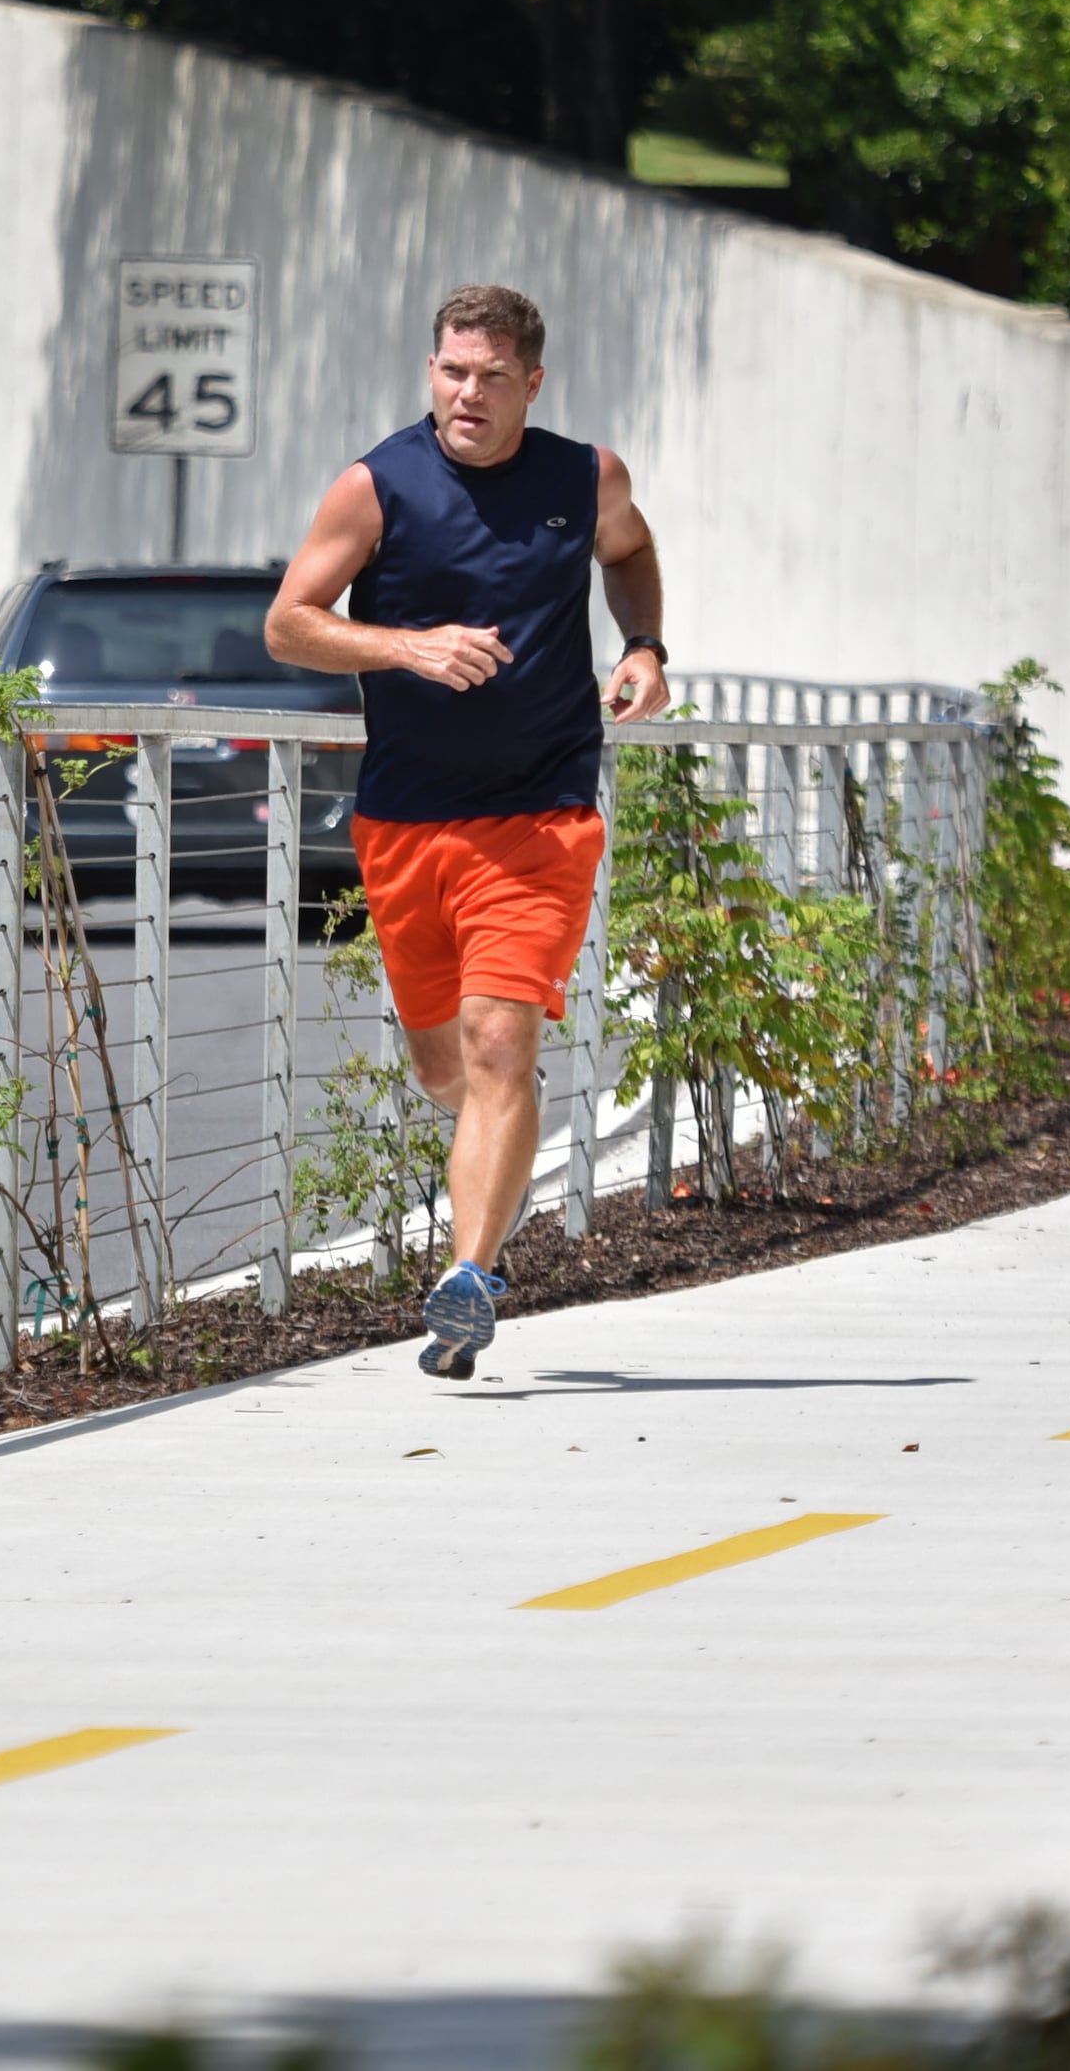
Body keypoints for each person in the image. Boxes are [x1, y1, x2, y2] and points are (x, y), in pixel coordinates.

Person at [262, 284, 668, 1379]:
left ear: (532, 384)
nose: (467, 393)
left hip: (542, 818)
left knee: (501, 1044)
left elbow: (628, 553)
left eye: (491, 376)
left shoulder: (585, 478)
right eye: (452, 370)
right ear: (431, 370)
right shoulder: (377, 484)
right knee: (445, 1063)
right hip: (405, 825)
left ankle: (470, 1278)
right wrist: (409, 647)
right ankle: (484, 1152)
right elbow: (290, 624)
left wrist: (644, 648)